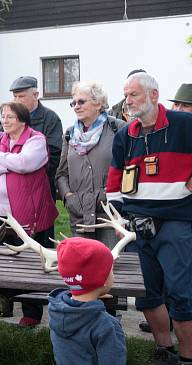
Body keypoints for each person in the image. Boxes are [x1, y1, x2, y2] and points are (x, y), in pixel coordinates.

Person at [106, 72, 192, 364]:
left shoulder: (184, 124)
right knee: (147, 294)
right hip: (137, 227)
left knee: (182, 295)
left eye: (134, 95)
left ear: (153, 95)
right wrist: (120, 221)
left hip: (177, 222)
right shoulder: (124, 135)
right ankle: (163, 351)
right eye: (126, 95)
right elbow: (114, 185)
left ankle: (187, 357)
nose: (127, 101)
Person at [0, 101, 58, 327]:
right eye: (3, 116)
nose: (5, 120)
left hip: (28, 212)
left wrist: (0, 159)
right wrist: (9, 163)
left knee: (30, 261)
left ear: (22, 119)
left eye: (10, 117)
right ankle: (2, 305)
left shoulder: (36, 139)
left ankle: (31, 311)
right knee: (2, 260)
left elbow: (25, 164)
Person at [56, 81, 125, 248]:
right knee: (83, 267)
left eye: (81, 102)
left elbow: (129, 168)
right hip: (79, 213)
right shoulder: (70, 134)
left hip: (109, 214)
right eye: (73, 103)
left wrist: (113, 194)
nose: (76, 106)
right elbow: (61, 174)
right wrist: (68, 196)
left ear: (98, 104)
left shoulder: (118, 128)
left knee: (110, 267)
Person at [48, 237, 126, 365]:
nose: (114, 275)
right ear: (103, 280)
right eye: (111, 271)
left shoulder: (56, 311)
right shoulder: (107, 326)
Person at [7, 76, 63, 200]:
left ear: (35, 95)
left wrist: (28, 169)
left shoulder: (51, 118)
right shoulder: (8, 119)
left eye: (21, 97)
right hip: (11, 185)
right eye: (15, 97)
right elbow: (1, 148)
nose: (16, 101)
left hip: (41, 186)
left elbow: (53, 155)